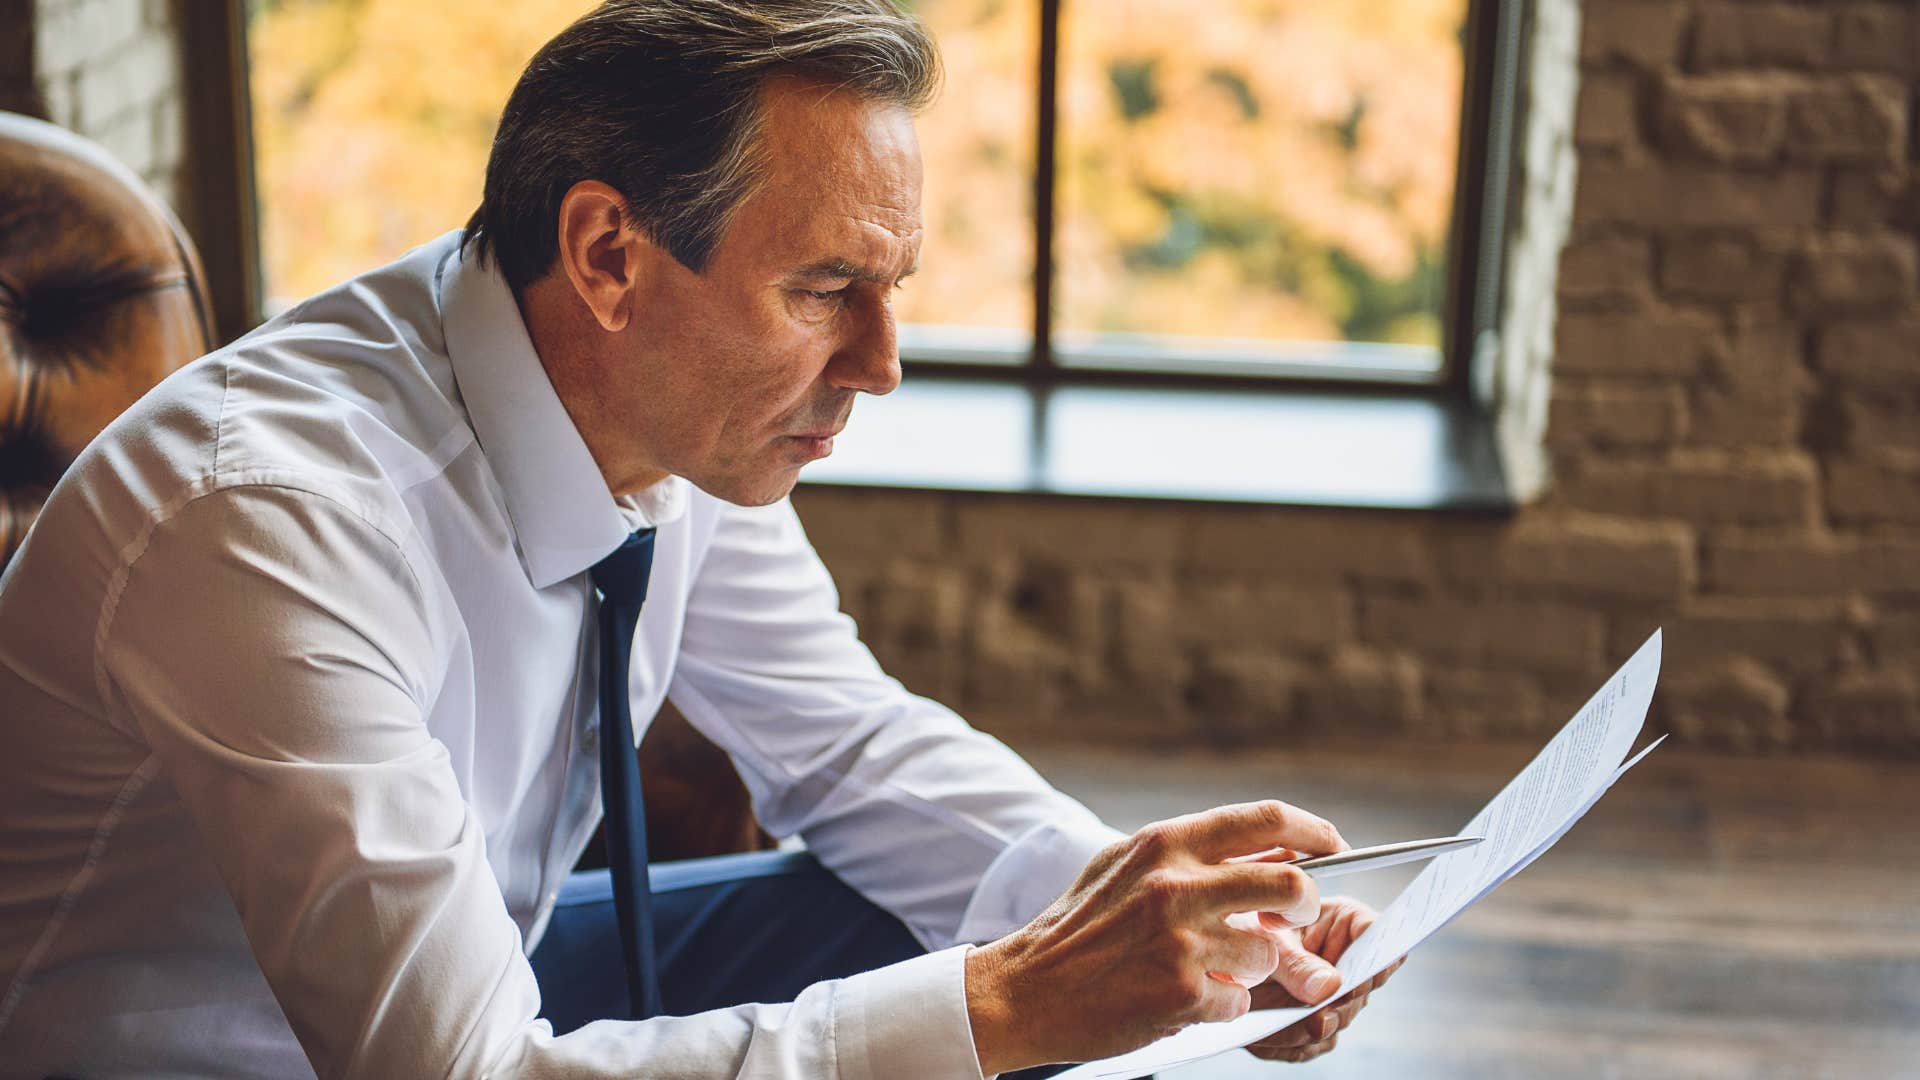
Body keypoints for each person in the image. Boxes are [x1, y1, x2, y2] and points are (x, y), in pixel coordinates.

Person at [0, 2, 1401, 1076]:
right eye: (826, 289)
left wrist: (1159, 921)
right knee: (983, 1004)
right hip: (205, 1053)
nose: (883, 362)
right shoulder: (268, 522)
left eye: (894, 286)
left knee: (968, 945)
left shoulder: (641, 406)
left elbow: (847, 747)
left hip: (485, 966)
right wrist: (1021, 997)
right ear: (609, 255)